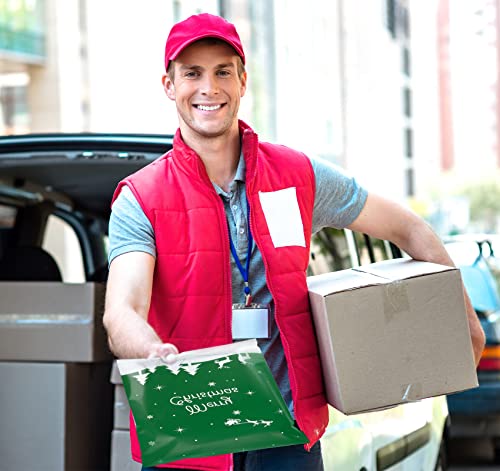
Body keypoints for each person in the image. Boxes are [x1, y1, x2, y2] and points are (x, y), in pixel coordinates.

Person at [103, 12, 485, 471]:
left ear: (243, 81)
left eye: (223, 71)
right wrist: (150, 350)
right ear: (169, 85)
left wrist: (464, 322)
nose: (209, 88)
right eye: (192, 73)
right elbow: (122, 309)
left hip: (288, 437)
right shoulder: (141, 198)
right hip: (192, 435)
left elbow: (411, 229)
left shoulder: (298, 176)